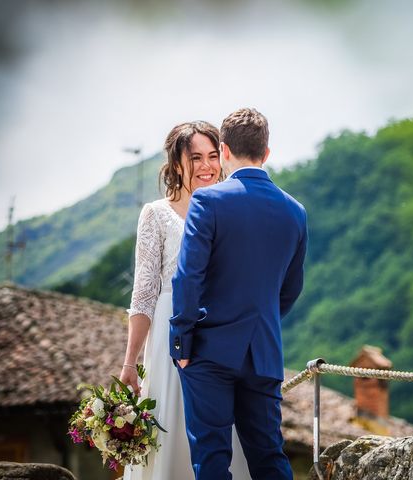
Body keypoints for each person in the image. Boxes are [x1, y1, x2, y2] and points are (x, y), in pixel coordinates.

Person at [170, 108, 307, 480]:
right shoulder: (296, 212)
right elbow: (291, 289)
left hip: (208, 351)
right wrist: (260, 322)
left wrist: (182, 343)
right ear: (267, 152)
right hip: (264, 353)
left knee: (212, 459)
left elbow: (188, 278)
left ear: (225, 150)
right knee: (269, 457)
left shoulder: (208, 202)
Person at [119, 121, 251, 480]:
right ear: (177, 163)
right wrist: (130, 362)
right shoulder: (156, 214)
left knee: (222, 437)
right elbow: (144, 293)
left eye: (212, 156)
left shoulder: (232, 210)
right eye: (196, 157)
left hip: (222, 338)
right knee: (169, 427)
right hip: (168, 336)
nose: (207, 166)